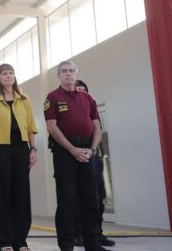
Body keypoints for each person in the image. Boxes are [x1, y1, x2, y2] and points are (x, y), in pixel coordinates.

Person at [44, 61, 108, 251]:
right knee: (67, 201)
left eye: (72, 71)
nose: (68, 74)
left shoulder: (87, 98)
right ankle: (67, 245)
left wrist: (93, 149)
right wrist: (72, 149)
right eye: (64, 71)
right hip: (65, 152)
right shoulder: (53, 97)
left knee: (91, 199)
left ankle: (92, 243)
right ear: (59, 76)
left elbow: (97, 125)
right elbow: (51, 126)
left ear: (77, 73)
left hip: (88, 150)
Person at [0, 64, 39, 251]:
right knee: (1, 194)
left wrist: (33, 149)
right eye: (3, 73)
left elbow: (31, 127)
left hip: (21, 149)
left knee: (21, 193)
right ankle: (4, 240)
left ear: (15, 76)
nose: (8, 76)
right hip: (0, 149)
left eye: (10, 73)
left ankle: (20, 240)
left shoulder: (24, 100)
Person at [73, 80, 115, 248]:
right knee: (81, 200)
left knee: (99, 198)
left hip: (95, 158)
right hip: (78, 159)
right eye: (79, 89)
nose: (82, 92)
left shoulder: (92, 111)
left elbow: (98, 132)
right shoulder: (72, 114)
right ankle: (80, 235)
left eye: (85, 90)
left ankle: (98, 234)